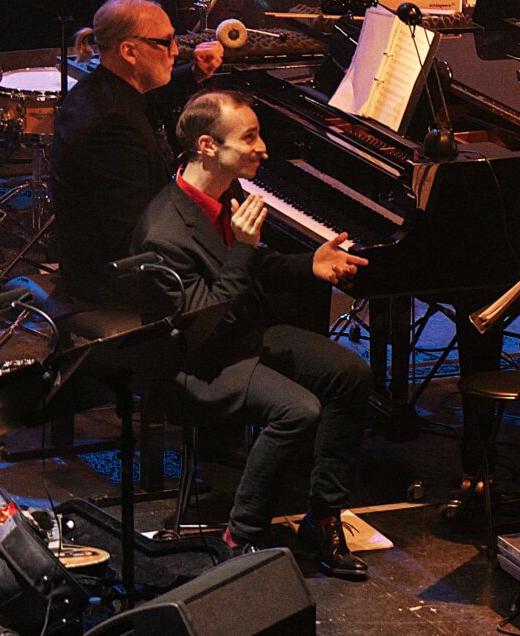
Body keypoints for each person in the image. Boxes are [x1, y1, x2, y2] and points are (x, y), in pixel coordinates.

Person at [131, 89, 372, 575]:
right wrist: (242, 249)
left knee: (351, 375)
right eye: (250, 137)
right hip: (195, 363)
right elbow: (203, 324)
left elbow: (257, 269)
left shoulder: (223, 194)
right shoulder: (163, 231)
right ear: (207, 146)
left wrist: (312, 265)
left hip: (242, 339)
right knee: (298, 410)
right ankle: (239, 536)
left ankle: (322, 517)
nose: (263, 148)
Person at [49, 0, 222, 309]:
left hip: (100, 262)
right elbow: (133, 237)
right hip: (115, 281)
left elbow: (148, 101)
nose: (176, 51)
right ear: (129, 51)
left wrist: (195, 73)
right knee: (250, 280)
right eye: (165, 42)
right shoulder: (113, 127)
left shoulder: (101, 89)